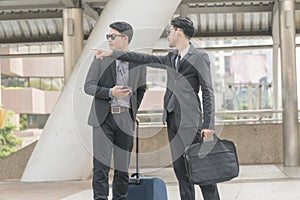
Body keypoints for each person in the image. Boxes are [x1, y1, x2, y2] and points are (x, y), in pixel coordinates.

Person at [93, 16, 220, 200]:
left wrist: (208, 125)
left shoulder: (199, 57)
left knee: (201, 171)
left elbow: (207, 91)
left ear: (179, 31)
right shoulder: (171, 57)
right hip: (172, 120)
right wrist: (112, 53)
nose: (168, 34)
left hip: (192, 122)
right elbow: (145, 58)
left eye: (170, 31)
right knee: (181, 173)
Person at [84, 21, 146, 200]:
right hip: (103, 119)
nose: (109, 40)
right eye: (108, 36)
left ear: (125, 38)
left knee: (122, 168)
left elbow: (141, 89)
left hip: (125, 120)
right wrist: (111, 92)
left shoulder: (139, 62)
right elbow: (88, 86)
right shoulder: (100, 58)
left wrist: (132, 113)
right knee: (101, 167)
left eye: (113, 36)